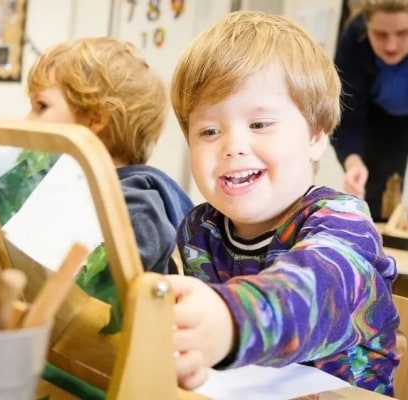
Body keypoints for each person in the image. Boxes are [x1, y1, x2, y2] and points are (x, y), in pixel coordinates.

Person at [167, 10, 399, 396]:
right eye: (209, 130)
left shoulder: (344, 222)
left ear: (316, 135)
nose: (232, 146)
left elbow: (313, 292)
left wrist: (228, 321)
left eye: (259, 124)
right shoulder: (198, 230)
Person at [0, 37, 193, 293]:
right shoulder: (57, 187)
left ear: (95, 119)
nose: (27, 120)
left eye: (41, 106)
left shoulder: (136, 208)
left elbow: (95, 299)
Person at [333, 0, 408, 221]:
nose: (391, 46)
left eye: (404, 33)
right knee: (380, 192)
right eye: (380, 35)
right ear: (366, 27)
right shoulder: (353, 40)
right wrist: (353, 161)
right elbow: (347, 114)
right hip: (381, 118)